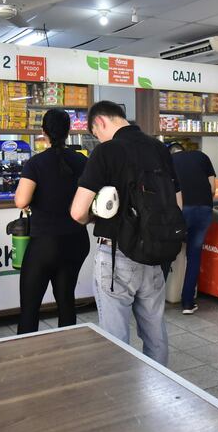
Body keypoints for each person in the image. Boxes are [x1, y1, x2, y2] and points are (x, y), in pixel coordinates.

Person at [70, 101, 182, 365]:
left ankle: (122, 396)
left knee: (115, 336)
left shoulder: (106, 152)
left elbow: (77, 212)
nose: (98, 138)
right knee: (155, 331)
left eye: (96, 133)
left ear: (100, 123)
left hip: (117, 253)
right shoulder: (159, 148)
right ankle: (161, 389)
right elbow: (178, 204)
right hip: (156, 253)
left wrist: (92, 215)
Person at [14, 109, 90, 334]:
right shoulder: (82, 161)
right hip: (76, 240)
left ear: (43, 132)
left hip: (45, 243)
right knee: (66, 301)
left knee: (30, 307)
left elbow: (21, 201)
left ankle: (27, 358)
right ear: (69, 131)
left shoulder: (36, 163)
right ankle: (66, 352)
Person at [168, 143, 216, 315]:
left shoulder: (168, 160)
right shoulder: (201, 156)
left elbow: (167, 191)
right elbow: (213, 189)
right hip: (204, 210)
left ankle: (154, 302)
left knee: (166, 254)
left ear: (171, 152)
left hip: (182, 211)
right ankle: (188, 303)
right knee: (194, 256)